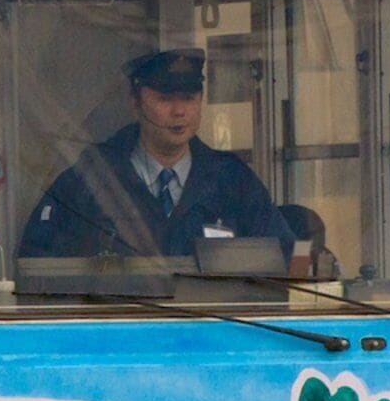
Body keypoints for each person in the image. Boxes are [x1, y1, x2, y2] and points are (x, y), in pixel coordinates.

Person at [16, 48, 288, 263]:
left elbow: (290, 259)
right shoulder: (91, 179)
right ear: (135, 103)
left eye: (189, 98)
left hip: (209, 319)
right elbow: (37, 266)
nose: (179, 112)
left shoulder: (233, 182)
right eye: (165, 99)